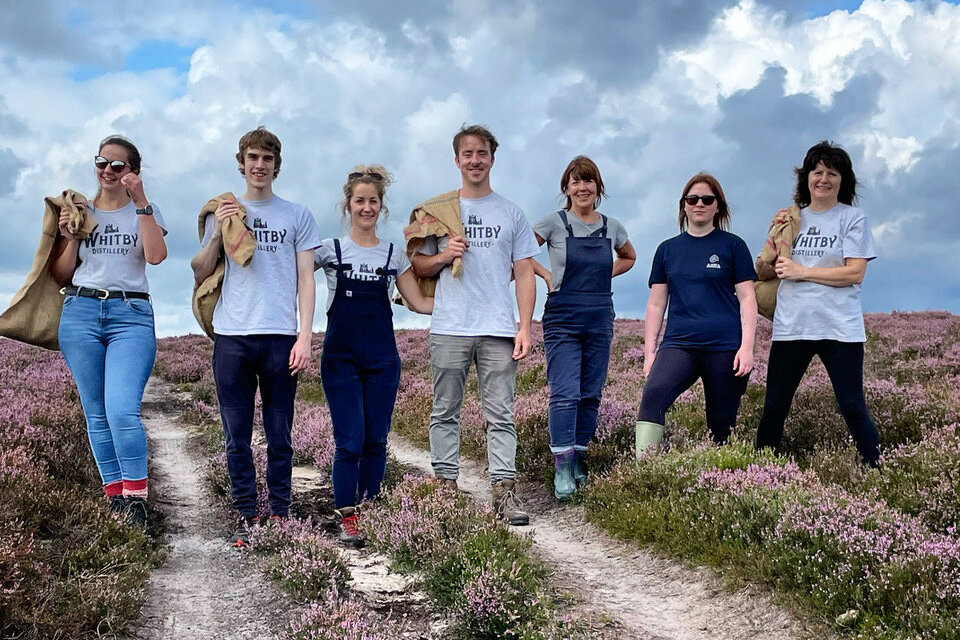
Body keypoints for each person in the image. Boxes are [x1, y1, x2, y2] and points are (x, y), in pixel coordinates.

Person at [190, 127, 321, 546]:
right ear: (241, 163)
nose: (259, 165)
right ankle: (247, 515)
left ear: (276, 165)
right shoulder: (223, 211)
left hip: (281, 337)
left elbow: (306, 278)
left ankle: (280, 513)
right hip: (232, 337)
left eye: (267, 158)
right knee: (237, 436)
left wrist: (304, 337)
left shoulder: (297, 215)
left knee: (280, 434)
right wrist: (217, 232)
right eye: (252, 157)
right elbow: (200, 270)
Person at [410, 124, 539, 526]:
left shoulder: (511, 213)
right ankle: (445, 487)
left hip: (498, 328)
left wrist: (524, 327)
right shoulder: (437, 211)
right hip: (450, 325)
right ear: (456, 160)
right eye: (467, 154)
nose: (475, 160)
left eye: (482, 153)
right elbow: (417, 265)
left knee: (501, 414)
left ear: (492, 159)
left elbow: (525, 272)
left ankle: (504, 492)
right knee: (444, 410)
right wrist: (444, 255)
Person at [49, 135, 168, 527]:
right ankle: (117, 500)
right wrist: (69, 238)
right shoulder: (80, 211)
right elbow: (62, 274)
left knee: (121, 410)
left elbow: (156, 256)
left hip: (130, 313)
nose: (108, 171)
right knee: (96, 415)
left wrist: (141, 201)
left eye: (118, 165)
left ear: (133, 171)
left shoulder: (145, 210)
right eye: (102, 162)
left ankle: (137, 501)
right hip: (80, 312)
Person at [315, 165, 433, 546]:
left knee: (376, 440)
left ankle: (371, 510)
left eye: (373, 201)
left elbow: (419, 302)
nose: (367, 208)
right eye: (359, 201)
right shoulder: (329, 251)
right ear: (348, 205)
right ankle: (347, 515)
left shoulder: (394, 255)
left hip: (382, 360)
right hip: (340, 359)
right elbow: (292, 273)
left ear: (382, 207)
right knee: (349, 440)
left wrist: (467, 300)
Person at [754, 141, 879, 466]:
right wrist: (774, 239)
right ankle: (759, 476)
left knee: (852, 406)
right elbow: (766, 267)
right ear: (806, 177)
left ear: (843, 180)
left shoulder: (853, 218)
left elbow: (855, 273)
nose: (824, 179)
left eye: (832, 173)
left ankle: (878, 472)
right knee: (774, 407)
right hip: (792, 326)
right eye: (817, 172)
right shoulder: (791, 217)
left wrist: (803, 271)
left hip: (840, 329)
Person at [531, 156, 635, 500]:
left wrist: (607, 273)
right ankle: (562, 467)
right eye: (575, 181)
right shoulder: (553, 223)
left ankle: (579, 459)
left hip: (600, 315)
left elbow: (629, 257)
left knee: (591, 393)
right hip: (562, 316)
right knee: (565, 393)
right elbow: (520, 251)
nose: (582, 187)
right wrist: (547, 275)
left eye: (588, 181)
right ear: (567, 188)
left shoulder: (612, 227)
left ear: (598, 187)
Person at [636, 173, 757, 452]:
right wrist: (650, 352)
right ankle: (644, 468)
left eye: (706, 199)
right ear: (684, 206)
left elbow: (748, 297)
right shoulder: (667, 250)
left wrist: (747, 347)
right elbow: (656, 305)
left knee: (721, 421)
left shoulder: (734, 246)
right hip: (679, 344)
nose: (699, 204)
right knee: (653, 396)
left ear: (718, 206)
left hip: (725, 346)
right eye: (692, 199)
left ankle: (721, 472)